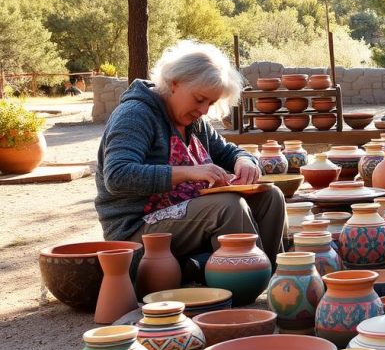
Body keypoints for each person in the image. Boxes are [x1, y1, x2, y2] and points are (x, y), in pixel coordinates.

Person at [95, 41, 285, 269]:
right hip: (136, 233)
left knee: (270, 196)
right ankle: (248, 281)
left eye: (211, 103)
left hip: (181, 220)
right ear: (174, 83)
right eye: (199, 99)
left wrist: (244, 160)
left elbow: (228, 151)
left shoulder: (195, 122)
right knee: (227, 207)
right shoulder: (135, 115)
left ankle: (277, 275)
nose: (205, 110)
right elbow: (117, 176)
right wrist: (188, 172)